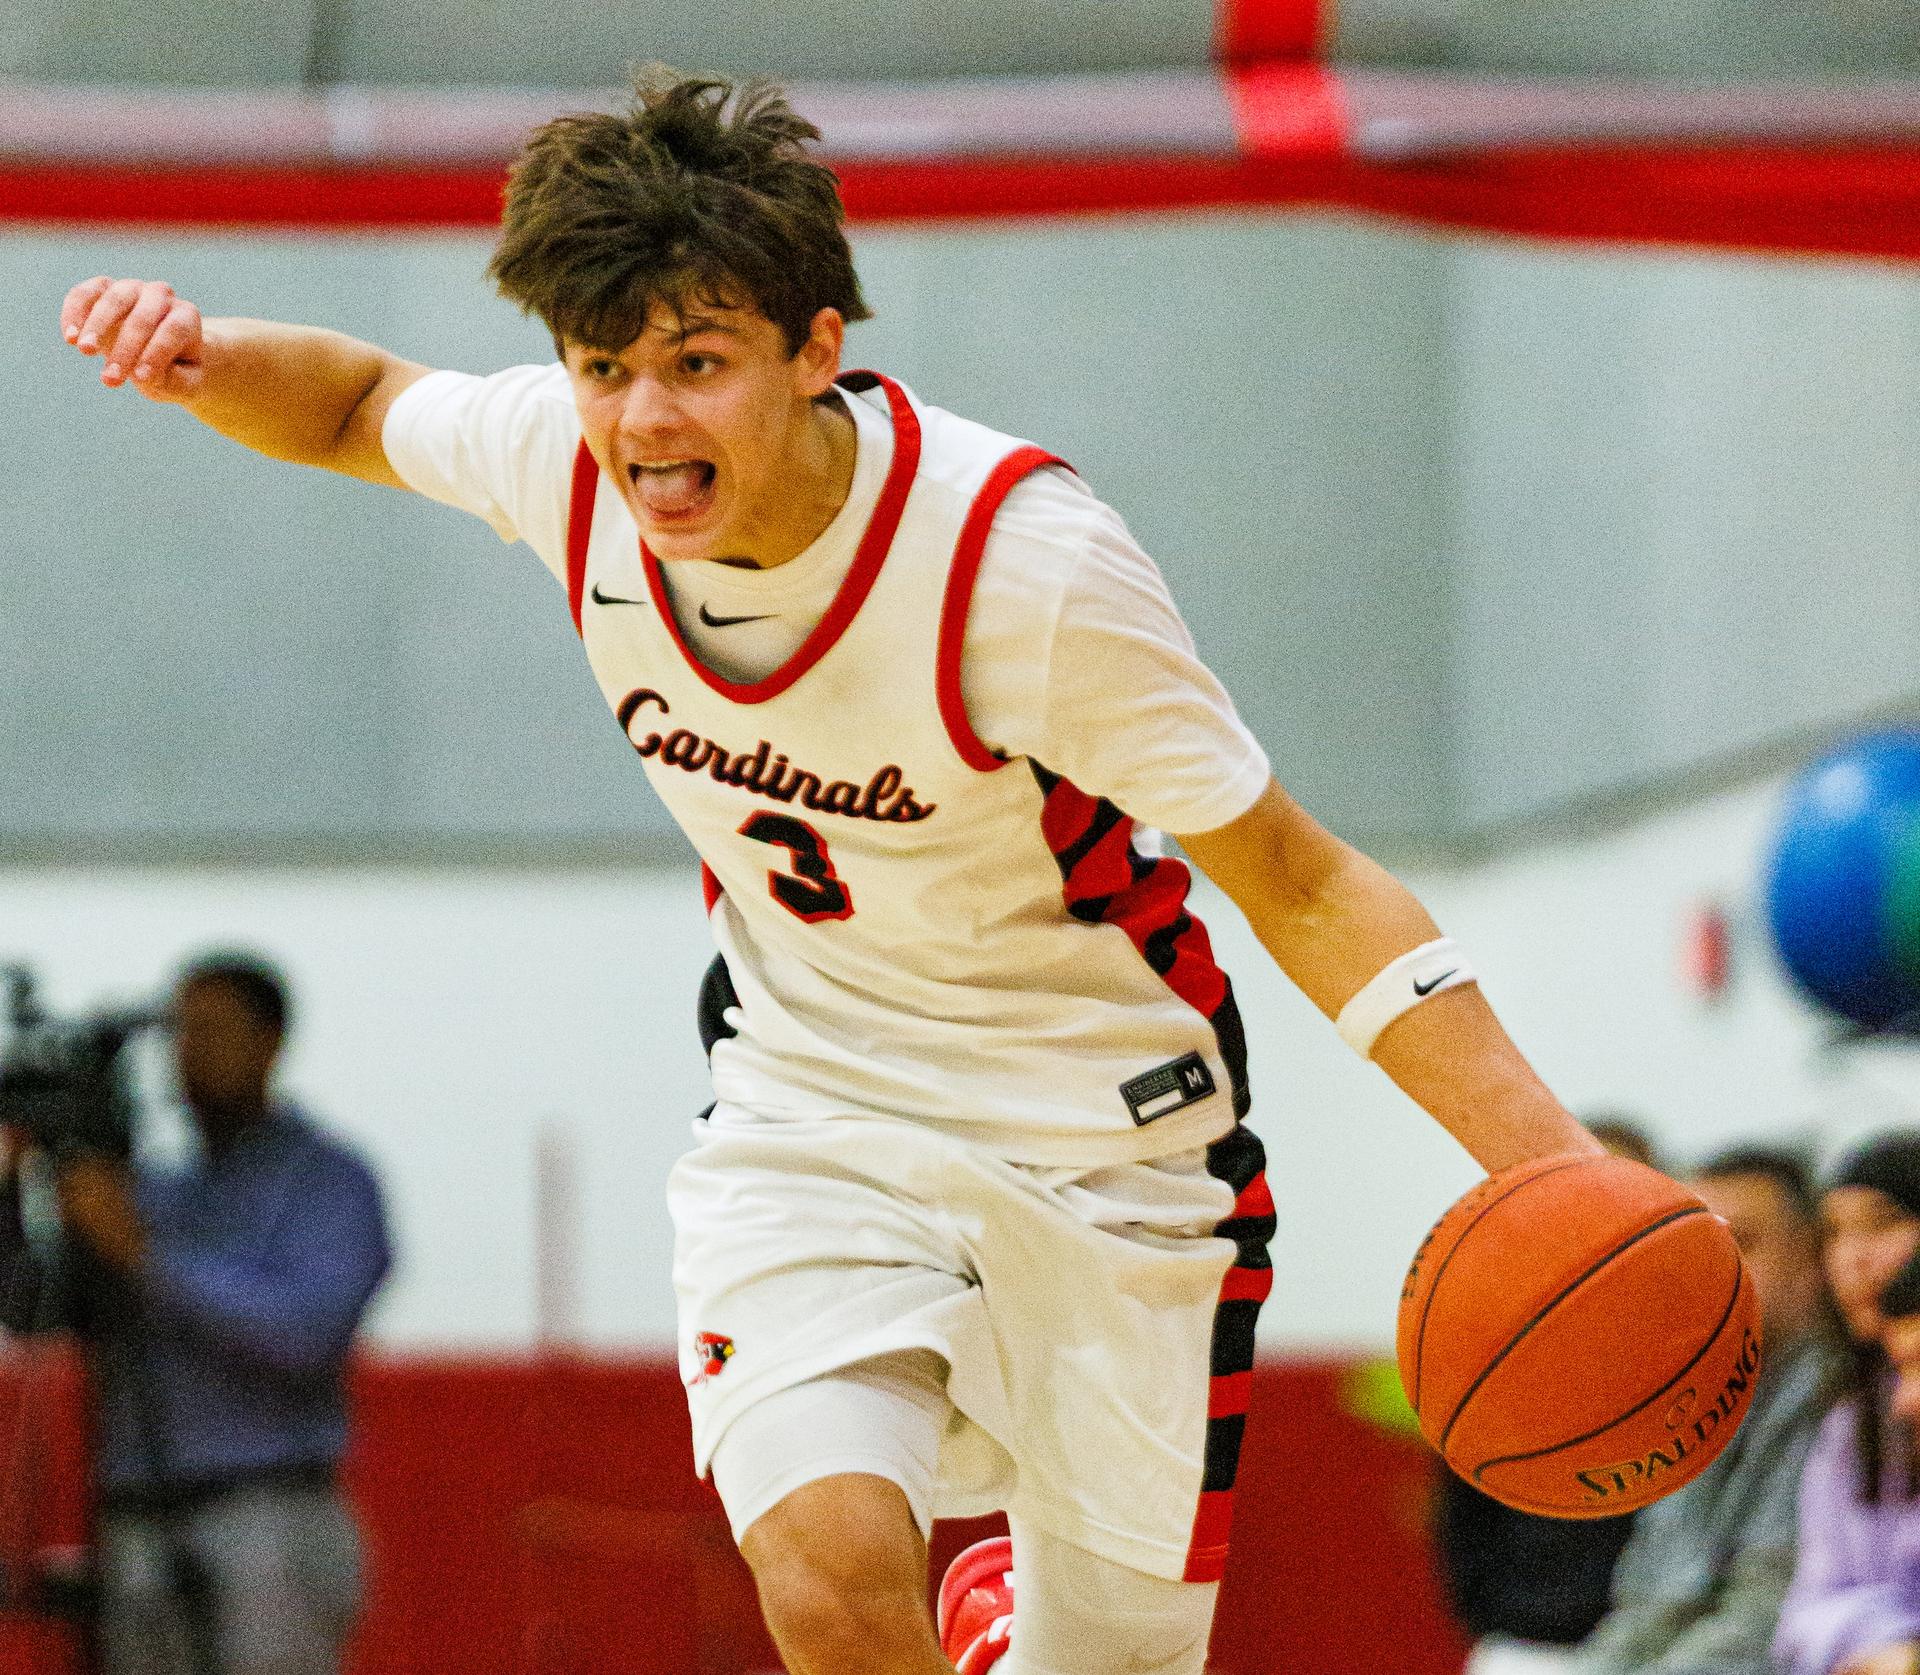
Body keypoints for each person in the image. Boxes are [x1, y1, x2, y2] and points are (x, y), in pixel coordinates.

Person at [53, 74, 1602, 1675]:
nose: (646, 421)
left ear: (816, 348)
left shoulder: (1019, 565)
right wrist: (201, 360)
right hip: (819, 1102)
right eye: (605, 370)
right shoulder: (570, 464)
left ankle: (1013, 1617)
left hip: (1107, 1136)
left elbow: (1299, 876)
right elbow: (359, 406)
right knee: (828, 1570)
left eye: (698, 364)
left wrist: (1549, 1164)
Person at [0, 954, 393, 1675]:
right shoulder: (157, 1189)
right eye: (179, 1032)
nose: (189, 1052)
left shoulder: (328, 1182)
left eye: (212, 1029)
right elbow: (35, 1311)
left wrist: (144, 1258)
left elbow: (302, 1334)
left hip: (267, 1510)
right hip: (136, 1515)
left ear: (271, 1039)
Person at [1567, 1146, 1836, 1675]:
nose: (1712, 1266)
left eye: (1742, 1241)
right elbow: (1644, 1603)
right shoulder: (1700, 1392)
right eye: (1693, 1245)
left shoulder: (1837, 1397)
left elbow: (1764, 1624)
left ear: (1811, 1261)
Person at [1435, 1115, 1662, 1675]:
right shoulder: (1490, 1363)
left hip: (1663, 1643)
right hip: (1530, 1645)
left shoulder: (1698, 1346)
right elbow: (1463, 1533)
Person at [1774, 1133, 1920, 1675]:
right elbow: (1805, 1614)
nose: (1853, 1257)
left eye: (1883, 1223)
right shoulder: (1856, 1412)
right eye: (1834, 1233)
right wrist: (1891, 1648)